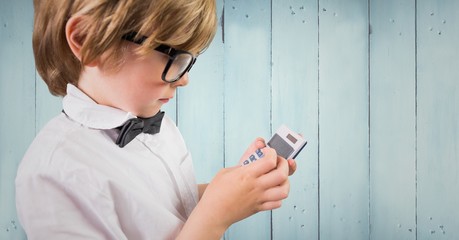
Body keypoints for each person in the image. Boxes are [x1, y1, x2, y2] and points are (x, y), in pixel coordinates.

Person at [16, 0, 297, 239]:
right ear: (88, 39)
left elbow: (160, 208)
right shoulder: (52, 175)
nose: (184, 78)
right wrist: (216, 216)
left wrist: (232, 190)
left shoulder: (155, 124)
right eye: (171, 54)